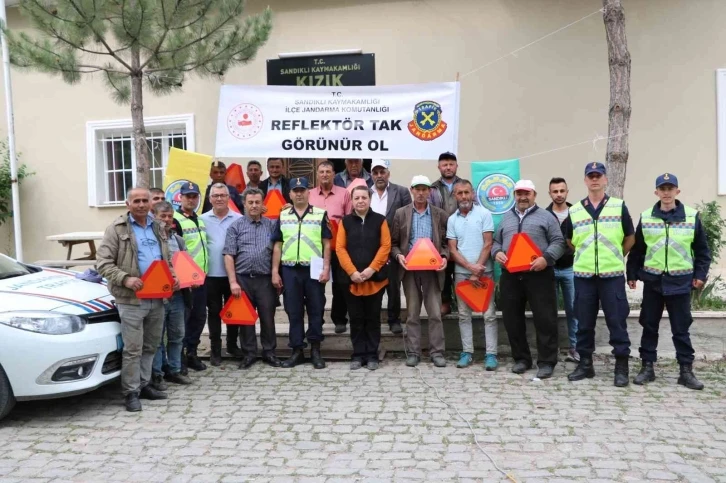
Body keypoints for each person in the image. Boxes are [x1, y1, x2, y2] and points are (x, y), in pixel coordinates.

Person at [627, 173, 711, 390]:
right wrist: (632, 274)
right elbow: (637, 251)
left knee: (681, 328)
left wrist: (700, 275)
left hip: (681, 282)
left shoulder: (691, 217)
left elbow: (702, 251)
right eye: (662, 189)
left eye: (670, 188)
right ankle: (647, 367)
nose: (666, 192)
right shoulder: (646, 217)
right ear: (656, 192)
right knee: (649, 326)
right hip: (653, 282)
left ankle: (686, 370)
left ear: (677, 191)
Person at [96, 187, 176, 412]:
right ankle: (131, 392)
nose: (141, 204)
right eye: (136, 201)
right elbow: (102, 263)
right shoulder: (116, 228)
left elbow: (166, 258)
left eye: (145, 200)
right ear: (127, 203)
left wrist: (173, 277)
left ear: (151, 203)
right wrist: (125, 279)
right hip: (131, 299)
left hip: (157, 296)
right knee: (133, 348)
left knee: (151, 345)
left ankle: (144, 384)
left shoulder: (158, 226)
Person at [567, 162, 635, 387]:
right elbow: (569, 240)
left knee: (617, 322)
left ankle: (621, 368)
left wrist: (617, 255)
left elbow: (630, 237)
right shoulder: (575, 210)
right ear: (585, 180)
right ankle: (585, 365)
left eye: (598, 175)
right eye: (590, 176)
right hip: (585, 276)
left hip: (612, 275)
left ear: (605, 179)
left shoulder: (618, 206)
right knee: (584, 322)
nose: (594, 179)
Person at [492, 180, 566, 378]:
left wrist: (546, 258)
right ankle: (521, 359)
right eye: (519, 193)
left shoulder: (547, 216)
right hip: (511, 275)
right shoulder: (506, 218)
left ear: (534, 194)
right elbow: (496, 241)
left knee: (545, 318)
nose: (522, 197)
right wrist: (497, 251)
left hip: (539, 274)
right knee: (512, 319)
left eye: (527, 193)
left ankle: (547, 362)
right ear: (514, 195)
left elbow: (559, 241)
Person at [272, 177, 332, 369]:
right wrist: (275, 271)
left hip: (313, 269)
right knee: (293, 311)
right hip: (290, 269)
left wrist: (326, 268)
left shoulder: (320, 214)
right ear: (289, 193)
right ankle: (297, 350)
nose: (299, 193)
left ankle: (315, 350)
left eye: (302, 190)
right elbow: (277, 246)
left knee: (316, 309)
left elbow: (327, 243)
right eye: (295, 190)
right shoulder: (282, 216)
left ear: (308, 192)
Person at [390, 175, 449, 368]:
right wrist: (399, 256)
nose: (421, 193)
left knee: (434, 313)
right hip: (410, 269)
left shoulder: (440, 214)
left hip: (432, 269)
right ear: (412, 190)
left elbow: (446, 242)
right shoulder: (401, 213)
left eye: (425, 189)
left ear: (429, 191)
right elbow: (394, 243)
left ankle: (437, 352)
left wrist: (444, 257)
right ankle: (413, 352)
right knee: (413, 313)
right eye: (418, 189)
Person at [224, 187, 283, 368]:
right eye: (250, 202)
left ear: (263, 203)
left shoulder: (272, 225)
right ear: (244, 203)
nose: (254, 205)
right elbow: (228, 254)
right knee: (246, 320)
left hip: (265, 279)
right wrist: (233, 281)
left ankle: (269, 352)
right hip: (243, 279)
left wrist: (274, 272)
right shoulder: (235, 226)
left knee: (267, 317)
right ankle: (249, 353)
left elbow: (276, 249)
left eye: (258, 202)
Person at [336, 185, 391, 370]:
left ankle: (372, 355)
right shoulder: (345, 222)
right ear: (351, 200)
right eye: (357, 198)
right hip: (352, 280)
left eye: (364, 197)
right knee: (356, 318)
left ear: (370, 199)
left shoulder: (380, 220)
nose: (360, 201)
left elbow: (385, 246)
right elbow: (340, 248)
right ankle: (358, 355)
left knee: (373, 318)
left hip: (375, 279)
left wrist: (371, 269)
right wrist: (352, 272)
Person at [447, 179, 498, 371]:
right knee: (463, 314)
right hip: (462, 275)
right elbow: (452, 249)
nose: (463, 197)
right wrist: (470, 267)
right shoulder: (452, 219)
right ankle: (467, 353)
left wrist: (478, 268)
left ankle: (491, 354)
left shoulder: (484, 214)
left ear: (473, 193)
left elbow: (488, 243)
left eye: (467, 192)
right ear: (454, 196)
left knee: (489, 314)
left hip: (485, 272)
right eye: (459, 193)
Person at [150, 201, 193, 388]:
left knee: (177, 335)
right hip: (158, 296)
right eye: (163, 216)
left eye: (169, 216)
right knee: (158, 337)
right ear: (155, 217)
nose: (167, 220)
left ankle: (175, 370)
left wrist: (192, 278)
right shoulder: (151, 239)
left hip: (177, 295)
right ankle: (157, 374)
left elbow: (185, 264)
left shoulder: (178, 240)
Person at [309, 160, 352, 334]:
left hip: (339, 244)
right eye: (322, 172)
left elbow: (349, 219)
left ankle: (339, 318)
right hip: (315, 246)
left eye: (328, 171)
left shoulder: (344, 194)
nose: (325, 174)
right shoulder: (309, 194)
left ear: (334, 174)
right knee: (316, 284)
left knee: (341, 284)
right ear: (317, 175)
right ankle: (316, 318)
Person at [201, 184, 242, 366]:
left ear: (228, 198)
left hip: (233, 275)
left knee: (233, 312)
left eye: (222, 195)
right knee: (215, 313)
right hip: (211, 275)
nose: (219, 199)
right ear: (210, 199)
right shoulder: (201, 220)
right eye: (215, 195)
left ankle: (232, 345)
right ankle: (215, 349)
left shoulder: (239, 219)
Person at [369, 159, 411, 335]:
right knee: (372, 284)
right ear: (371, 174)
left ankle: (394, 320)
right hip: (370, 247)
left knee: (393, 285)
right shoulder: (363, 191)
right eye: (376, 172)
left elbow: (409, 217)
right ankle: (372, 319)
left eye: (382, 172)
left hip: (394, 247)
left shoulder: (401, 191)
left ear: (388, 173)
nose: (379, 176)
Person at [172, 182, 209, 372]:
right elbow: (176, 253)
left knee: (199, 318)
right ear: (181, 197)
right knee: (183, 321)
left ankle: (192, 353)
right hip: (187, 281)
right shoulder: (175, 220)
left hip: (201, 279)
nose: (191, 199)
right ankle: (179, 359)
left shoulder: (199, 219)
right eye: (188, 196)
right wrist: (187, 277)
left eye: (194, 196)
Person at [546, 177, 579, 362]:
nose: (559, 194)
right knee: (549, 311)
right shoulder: (544, 214)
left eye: (562, 191)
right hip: (549, 269)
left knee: (574, 309)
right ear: (549, 193)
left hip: (571, 268)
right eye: (555, 191)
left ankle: (575, 348)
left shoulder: (577, 213)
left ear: (567, 192)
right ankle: (552, 350)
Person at [431, 152, 460, 316]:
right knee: (443, 273)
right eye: (444, 164)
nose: (448, 167)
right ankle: (445, 302)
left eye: (451, 164)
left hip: (462, 238)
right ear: (439, 167)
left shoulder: (464, 185)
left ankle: (463, 302)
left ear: (456, 166)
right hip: (440, 237)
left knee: (461, 271)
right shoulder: (433, 188)